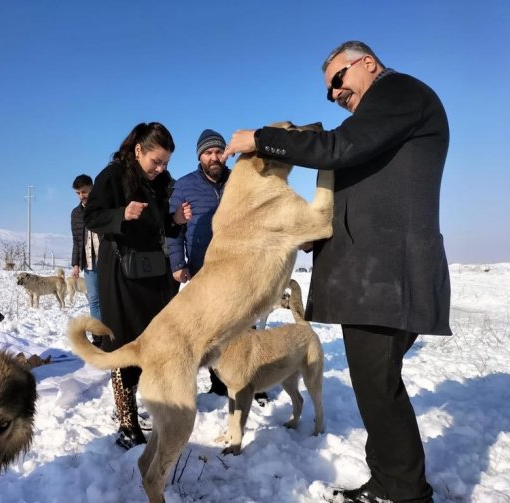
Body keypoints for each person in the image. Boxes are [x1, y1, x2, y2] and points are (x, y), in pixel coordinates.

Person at [222, 41, 451, 503]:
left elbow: (338, 146)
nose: (334, 94)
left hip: (387, 275)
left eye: (338, 81)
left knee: (378, 386)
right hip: (374, 275)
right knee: (376, 385)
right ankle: (390, 481)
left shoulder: (401, 92)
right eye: (329, 91)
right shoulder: (381, 115)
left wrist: (261, 138)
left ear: (367, 62)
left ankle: (404, 491)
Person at [84, 122, 191, 450]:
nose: (160, 169)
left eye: (166, 163)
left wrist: (175, 222)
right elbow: (92, 217)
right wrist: (121, 213)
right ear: (138, 151)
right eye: (155, 161)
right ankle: (127, 420)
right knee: (125, 342)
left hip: (153, 273)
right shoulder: (113, 176)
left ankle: (156, 402)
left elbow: (158, 226)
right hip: (121, 273)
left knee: (155, 339)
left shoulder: (160, 183)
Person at [167, 129, 231, 397]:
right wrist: (178, 263)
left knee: (244, 327)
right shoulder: (184, 185)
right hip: (203, 269)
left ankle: (249, 379)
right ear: (199, 156)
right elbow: (175, 229)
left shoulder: (239, 179)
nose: (214, 157)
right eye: (208, 152)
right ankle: (218, 384)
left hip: (238, 267)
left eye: (218, 151)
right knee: (212, 329)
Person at [70, 174, 101, 331]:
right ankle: (97, 334)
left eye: (84, 191)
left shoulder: (104, 206)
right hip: (88, 262)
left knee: (109, 298)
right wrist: (75, 263)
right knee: (94, 299)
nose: (81, 196)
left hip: (107, 259)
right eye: (78, 193)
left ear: (92, 188)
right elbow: (76, 241)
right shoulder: (75, 213)